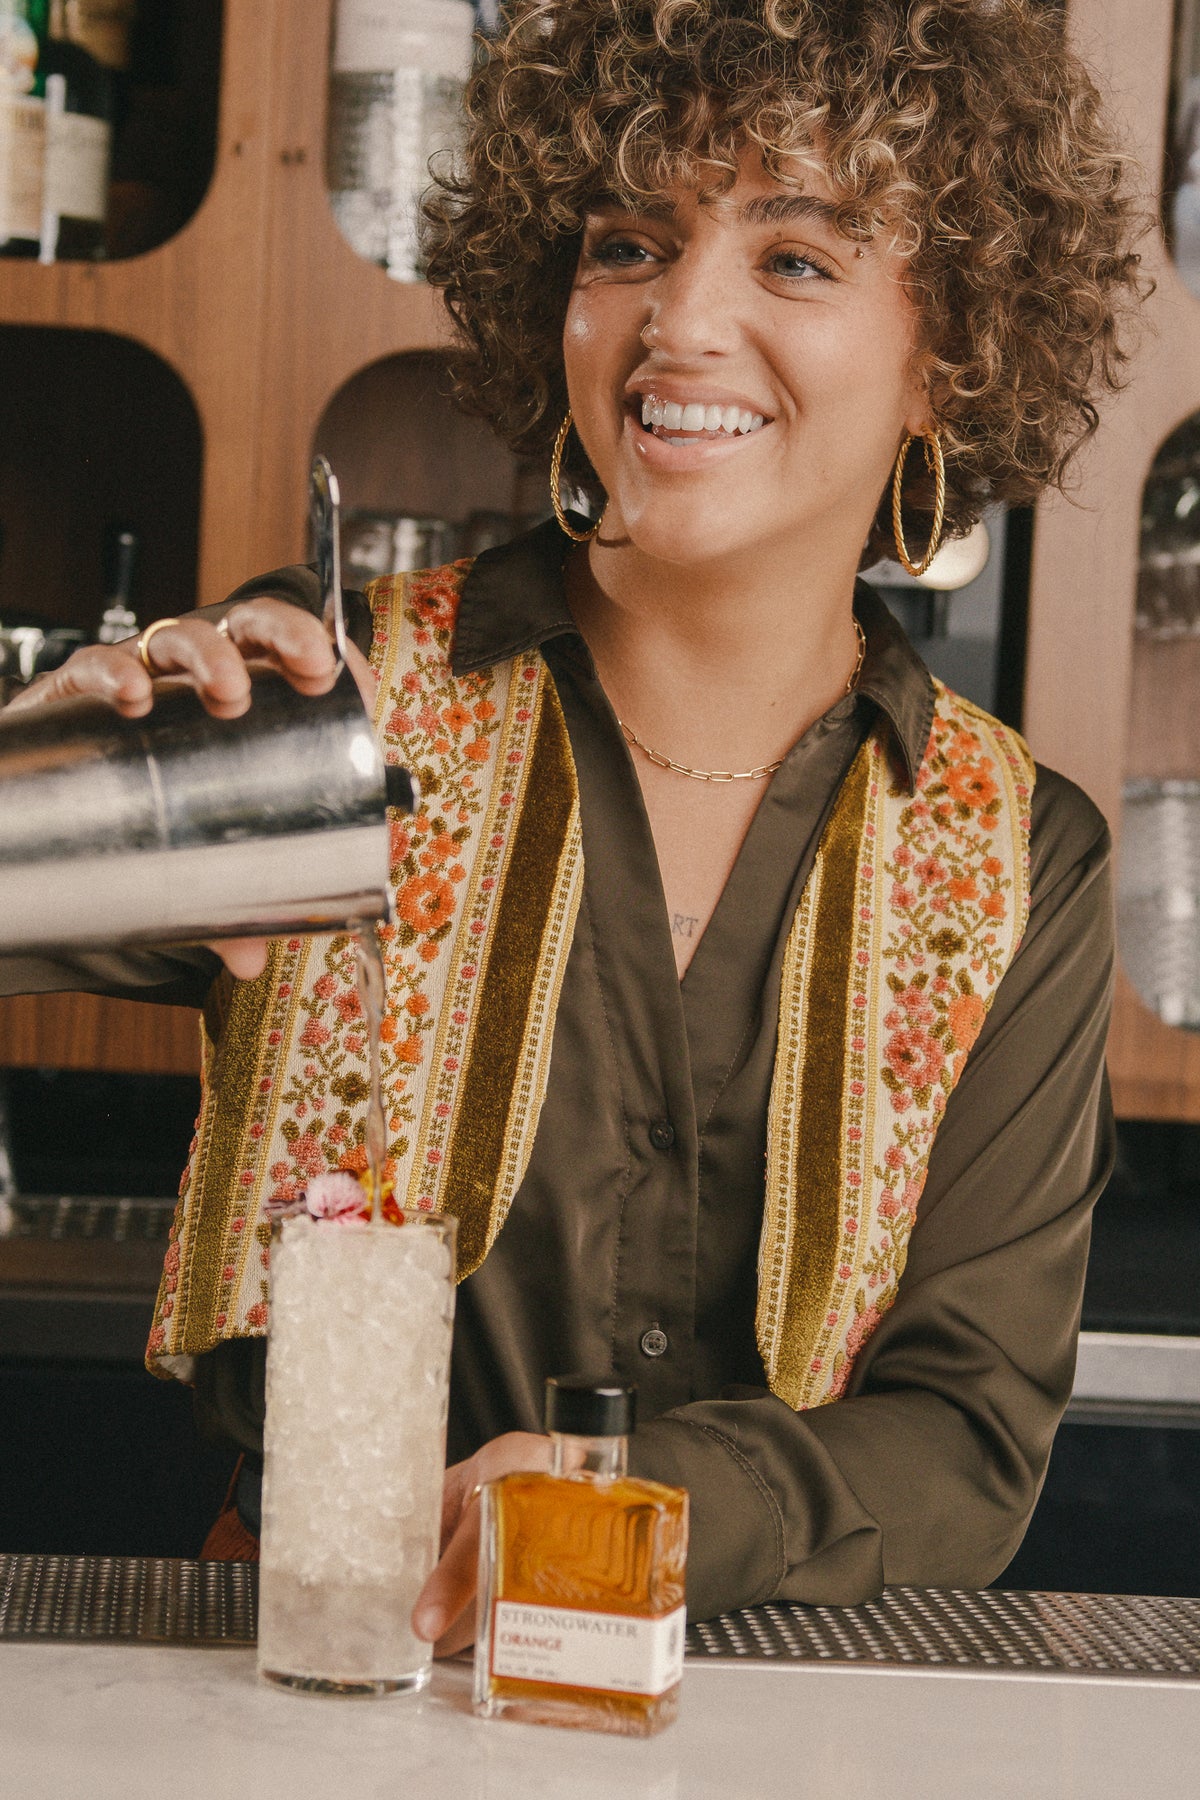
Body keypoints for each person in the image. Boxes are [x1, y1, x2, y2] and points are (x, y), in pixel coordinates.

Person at [2, 0, 1144, 1654]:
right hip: (318, 1677)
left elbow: (968, 1439)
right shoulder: (331, 702)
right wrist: (53, 778)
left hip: (771, 1711)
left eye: (795, 259)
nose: (677, 322)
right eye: (628, 246)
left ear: (949, 351)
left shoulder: (1016, 850)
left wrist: (630, 1504)